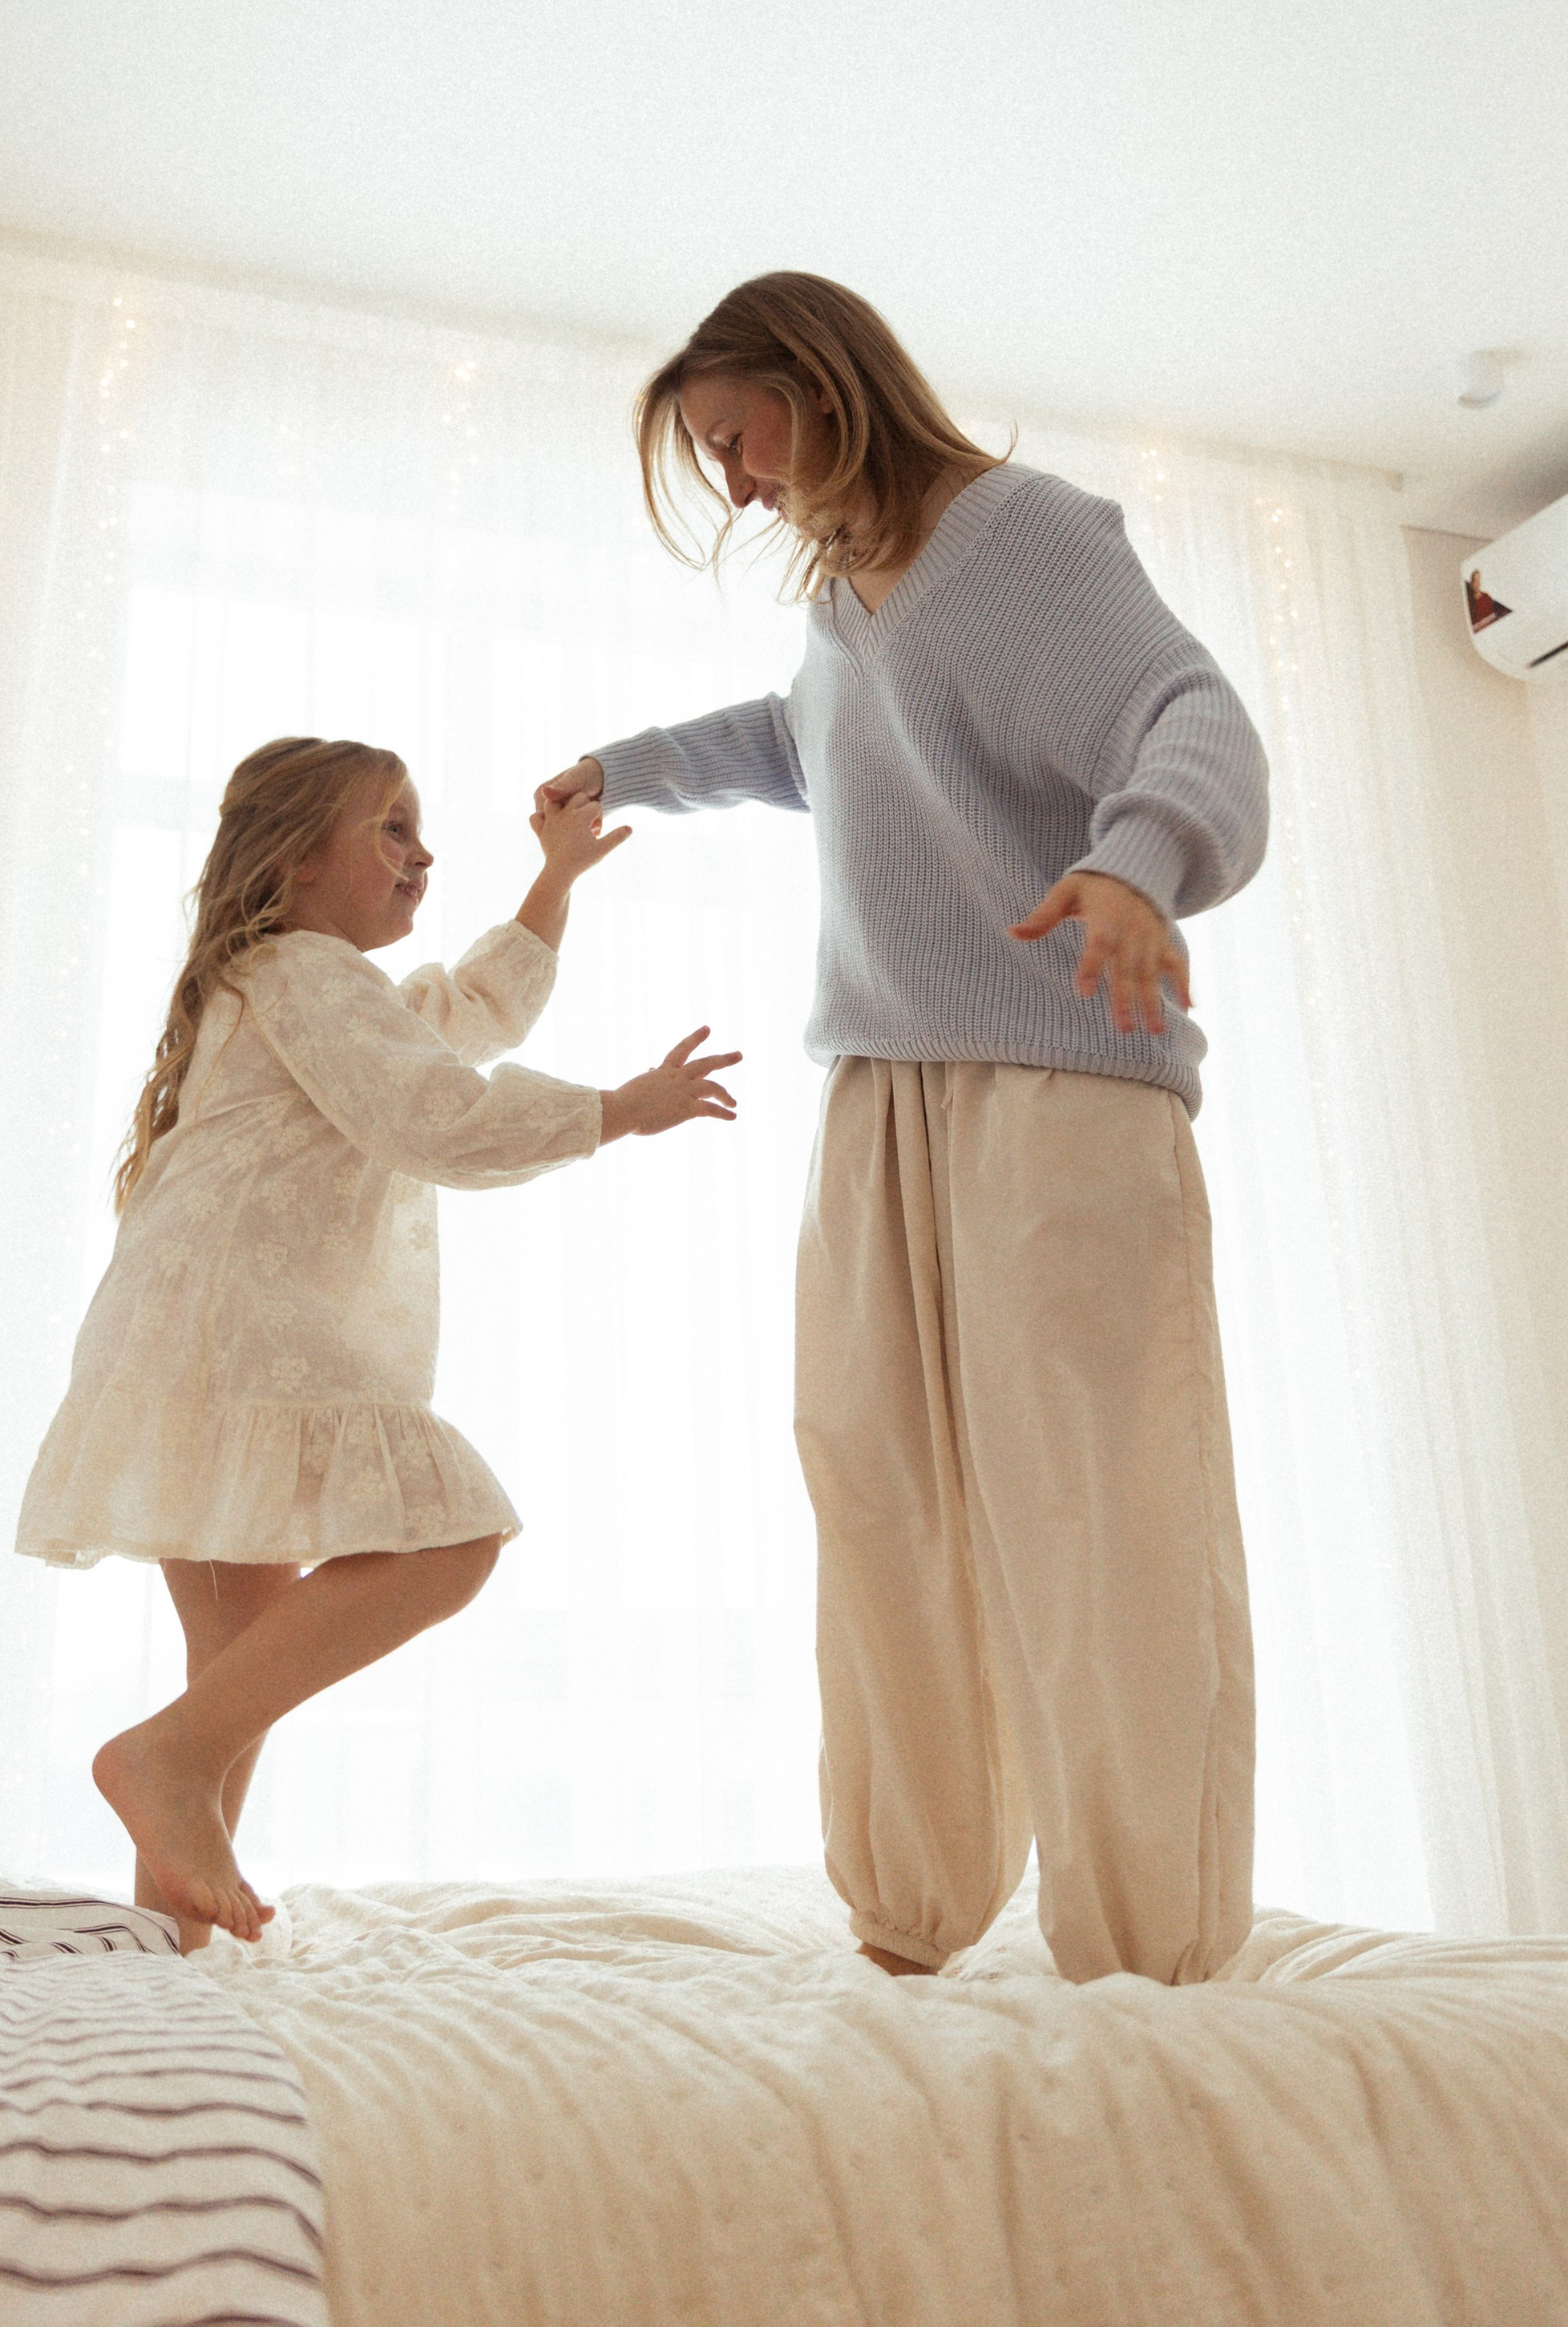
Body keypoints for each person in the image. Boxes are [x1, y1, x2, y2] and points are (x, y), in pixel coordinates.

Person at [538, 273, 1267, 1988]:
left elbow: (1190, 713)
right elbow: (810, 742)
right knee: (876, 1487)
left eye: (734, 434)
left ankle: (1148, 1947)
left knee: (1092, 1500)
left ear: (819, 379)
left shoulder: (1019, 538)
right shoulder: (843, 599)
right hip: (877, 1089)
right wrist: (621, 765)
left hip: (1055, 1078)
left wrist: (1129, 862)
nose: (731, 479)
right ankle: (915, 1907)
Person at [17, 735, 738, 1947]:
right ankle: (158, 1765)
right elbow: (432, 1113)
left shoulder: (300, 981)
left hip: (195, 1336)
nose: (423, 851)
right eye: (390, 828)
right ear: (298, 861)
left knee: (234, 1668)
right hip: (238, 1337)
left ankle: (164, 1961)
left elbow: (463, 1019)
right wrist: (616, 1112)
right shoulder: (305, 971)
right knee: (449, 1536)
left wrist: (553, 881)